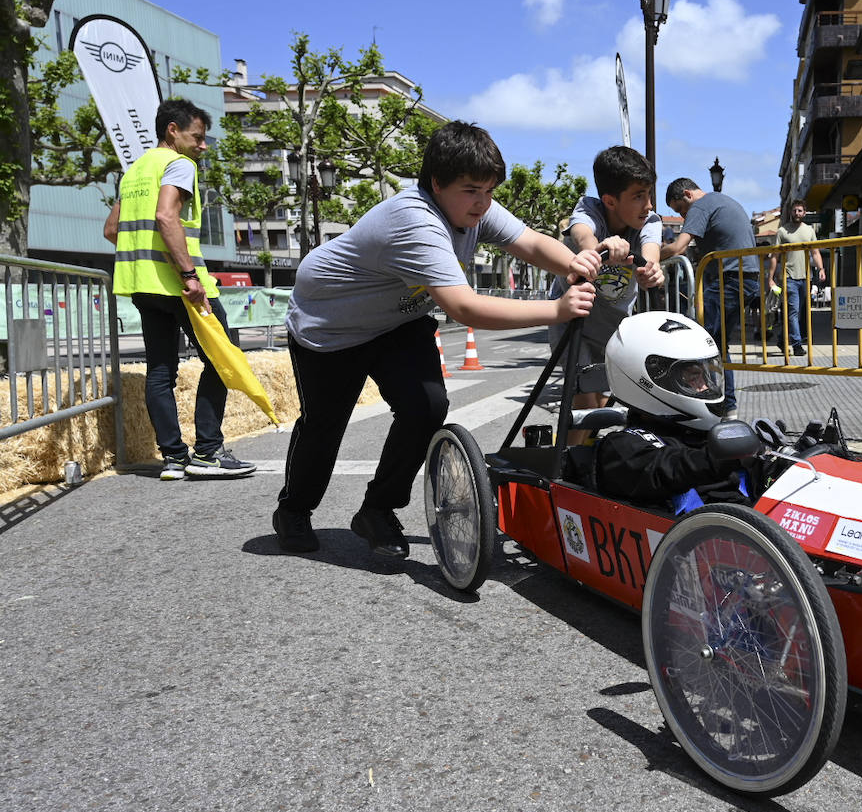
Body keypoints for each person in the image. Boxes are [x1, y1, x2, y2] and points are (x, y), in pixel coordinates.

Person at [273, 120, 597, 556]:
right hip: (331, 326)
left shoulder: (474, 206)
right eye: (470, 191)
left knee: (427, 407)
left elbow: (531, 242)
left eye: (489, 190)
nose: (482, 203)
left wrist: (575, 264)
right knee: (325, 425)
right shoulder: (416, 221)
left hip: (397, 321)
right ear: (436, 183)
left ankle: (377, 509)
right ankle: (293, 510)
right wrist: (556, 309)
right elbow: (464, 308)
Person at [103, 98, 256, 482]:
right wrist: (188, 275)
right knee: (224, 358)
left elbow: (111, 231)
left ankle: (173, 458)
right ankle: (208, 451)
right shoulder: (179, 165)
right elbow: (166, 216)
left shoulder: (135, 170)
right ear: (173, 130)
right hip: (180, 286)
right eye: (198, 137)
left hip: (142, 285)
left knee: (160, 371)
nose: (203, 146)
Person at [547, 146, 664, 443]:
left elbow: (650, 253)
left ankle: (584, 452)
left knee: (602, 404)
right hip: (575, 325)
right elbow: (583, 237)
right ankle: (570, 465)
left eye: (649, 194)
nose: (648, 204)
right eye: (638, 196)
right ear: (610, 200)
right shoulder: (589, 210)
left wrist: (651, 270)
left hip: (614, 328)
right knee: (585, 400)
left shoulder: (648, 222)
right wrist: (599, 245)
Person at [595, 311, 750, 511]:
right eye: (693, 378)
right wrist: (726, 457)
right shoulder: (622, 448)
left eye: (706, 376)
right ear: (652, 378)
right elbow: (672, 468)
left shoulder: (695, 431)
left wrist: (773, 458)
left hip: (743, 526)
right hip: (699, 534)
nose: (705, 387)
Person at [663, 178, 760, 418]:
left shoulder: (701, 205)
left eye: (680, 209)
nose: (684, 217)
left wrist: (647, 256)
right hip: (746, 278)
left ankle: (714, 405)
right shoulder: (724, 200)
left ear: (687, 194)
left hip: (727, 279)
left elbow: (678, 248)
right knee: (717, 343)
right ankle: (727, 407)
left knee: (705, 343)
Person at [765, 200, 827, 356]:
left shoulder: (809, 231)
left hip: (805, 277)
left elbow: (815, 252)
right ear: (790, 212)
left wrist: (821, 269)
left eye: (800, 211)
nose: (797, 213)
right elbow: (775, 256)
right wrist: (770, 278)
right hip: (788, 277)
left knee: (796, 312)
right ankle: (797, 344)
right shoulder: (782, 231)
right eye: (794, 211)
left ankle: (781, 339)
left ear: (804, 213)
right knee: (793, 312)